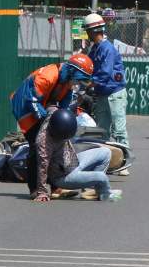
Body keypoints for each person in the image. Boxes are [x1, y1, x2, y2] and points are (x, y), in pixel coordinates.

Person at [10, 53, 94, 197]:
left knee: (57, 143)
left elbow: (65, 104)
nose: (78, 83)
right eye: (79, 79)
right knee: (37, 146)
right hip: (26, 108)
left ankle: (56, 187)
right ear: (72, 71)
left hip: (42, 106)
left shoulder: (67, 81)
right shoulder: (48, 76)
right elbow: (32, 100)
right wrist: (47, 120)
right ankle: (35, 189)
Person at [31, 108, 121, 204]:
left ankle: (92, 189)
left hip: (73, 159)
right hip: (63, 176)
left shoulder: (54, 114)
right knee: (102, 177)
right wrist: (42, 192)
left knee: (105, 152)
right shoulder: (44, 143)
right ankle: (105, 194)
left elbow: (51, 107)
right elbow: (42, 168)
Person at [83, 12, 129, 149]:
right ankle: (105, 159)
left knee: (119, 131)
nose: (87, 34)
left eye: (87, 31)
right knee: (102, 131)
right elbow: (87, 65)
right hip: (102, 94)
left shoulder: (107, 48)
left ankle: (124, 162)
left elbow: (105, 72)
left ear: (93, 31)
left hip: (115, 94)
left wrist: (89, 83)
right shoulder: (95, 49)